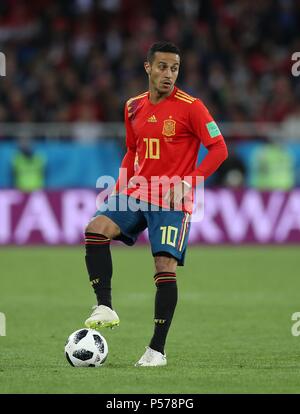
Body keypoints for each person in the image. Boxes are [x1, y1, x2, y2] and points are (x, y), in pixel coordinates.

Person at [84, 41, 228, 366]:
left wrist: (189, 182)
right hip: (138, 192)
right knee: (95, 230)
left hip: (171, 199)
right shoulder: (133, 106)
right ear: (148, 67)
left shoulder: (192, 107)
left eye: (175, 68)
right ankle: (104, 306)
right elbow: (132, 151)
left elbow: (219, 149)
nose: (169, 74)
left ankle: (156, 350)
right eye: (162, 67)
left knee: (164, 266)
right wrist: (120, 188)